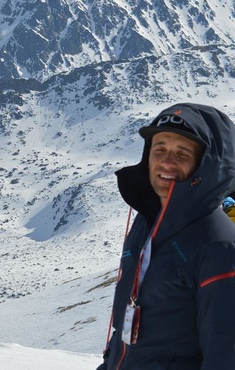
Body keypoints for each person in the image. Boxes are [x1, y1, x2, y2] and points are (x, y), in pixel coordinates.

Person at [99, 103, 235, 369]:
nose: (166, 162)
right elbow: (126, 331)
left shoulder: (219, 247)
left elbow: (225, 355)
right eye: (158, 149)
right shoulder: (146, 222)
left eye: (182, 153)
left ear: (206, 165)